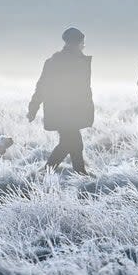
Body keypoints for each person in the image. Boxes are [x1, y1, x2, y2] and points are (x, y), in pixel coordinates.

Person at [28, 27, 95, 175]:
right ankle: (50, 171)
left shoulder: (54, 61)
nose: (84, 45)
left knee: (72, 143)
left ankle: (77, 172)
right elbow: (44, 85)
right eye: (82, 42)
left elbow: (41, 86)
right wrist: (33, 107)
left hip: (61, 110)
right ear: (77, 43)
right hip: (66, 110)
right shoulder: (75, 61)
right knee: (71, 142)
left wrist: (33, 107)